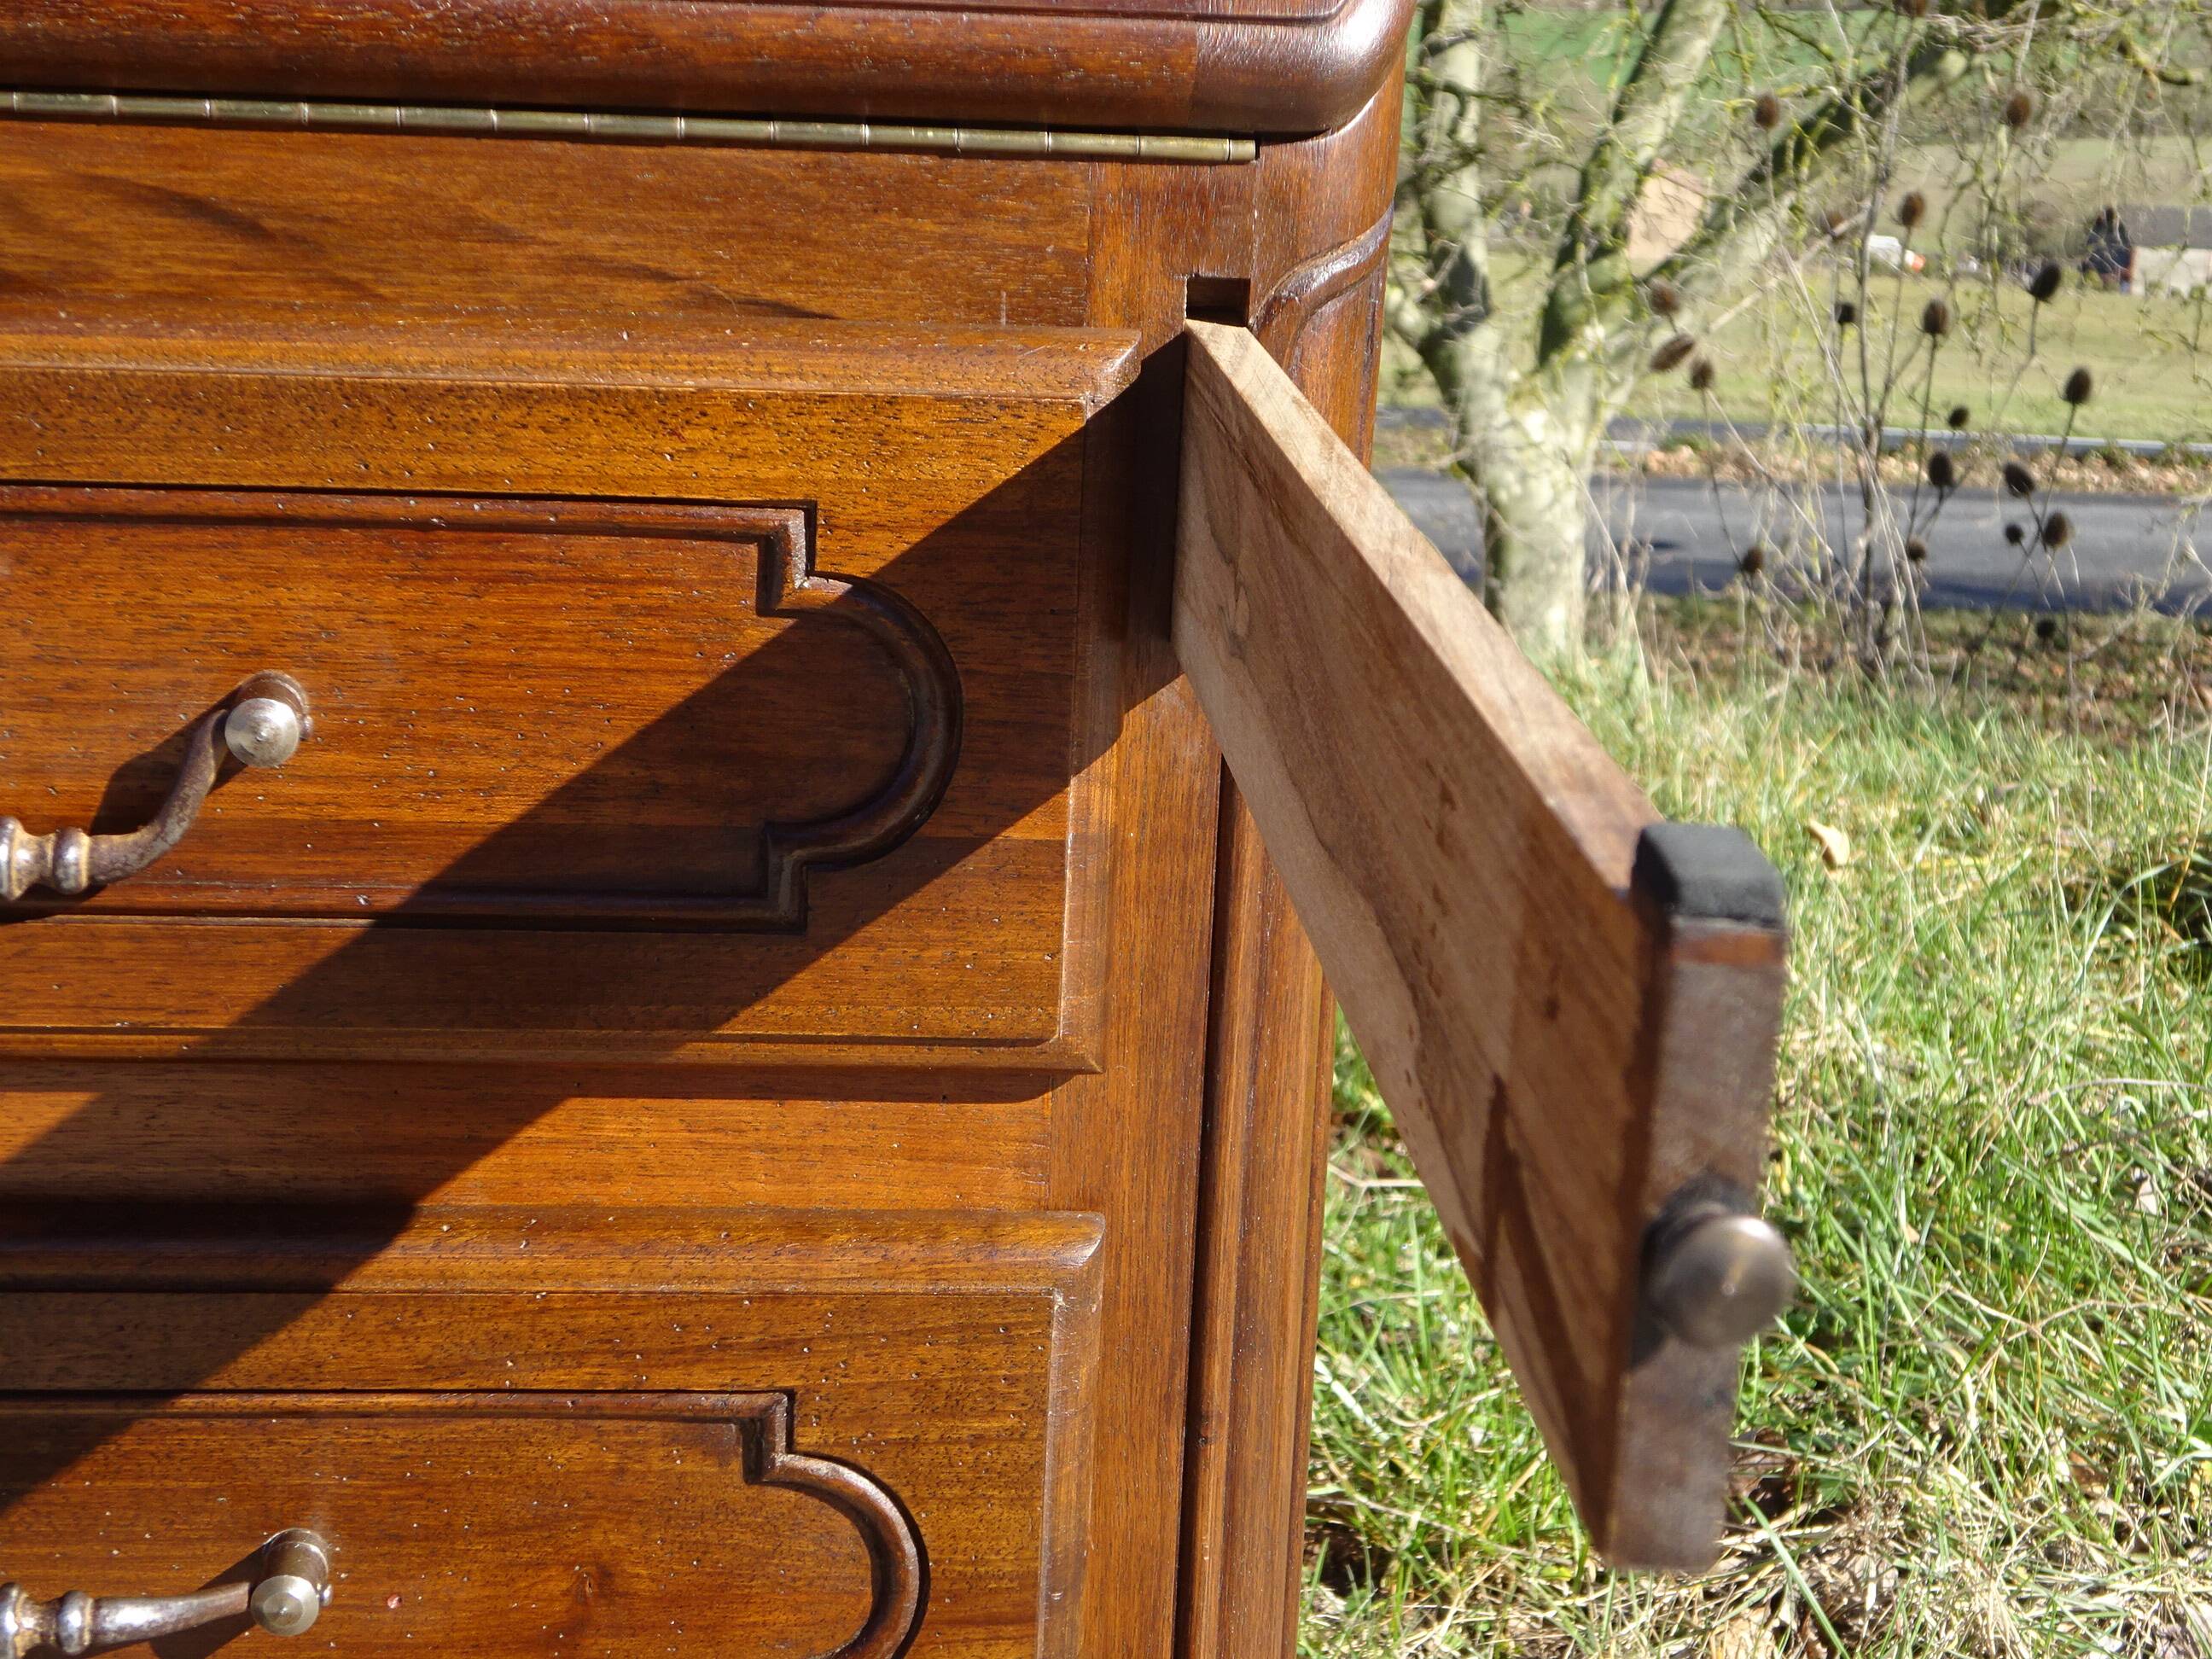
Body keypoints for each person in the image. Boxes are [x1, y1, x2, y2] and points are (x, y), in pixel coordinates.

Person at [2085, 207, 2134, 294]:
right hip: (2101, 276)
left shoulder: (2120, 230)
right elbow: (2087, 256)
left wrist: (2129, 269)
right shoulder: (2095, 233)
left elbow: (2132, 250)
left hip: (2120, 277)